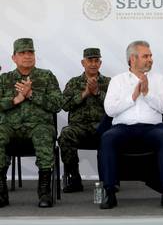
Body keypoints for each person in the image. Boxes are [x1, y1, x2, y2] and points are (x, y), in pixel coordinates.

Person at [99, 40, 163, 209]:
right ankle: (110, 192)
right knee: (107, 138)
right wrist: (132, 97)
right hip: (123, 129)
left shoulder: (159, 79)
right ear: (132, 59)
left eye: (150, 55)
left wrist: (147, 93)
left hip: (152, 128)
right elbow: (110, 110)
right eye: (145, 56)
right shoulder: (117, 81)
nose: (150, 59)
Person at [0, 38, 63, 208]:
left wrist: (31, 95)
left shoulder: (46, 76)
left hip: (39, 126)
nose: (27, 56)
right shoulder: (5, 79)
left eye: (31, 52)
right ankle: (1, 191)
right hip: (10, 127)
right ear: (14, 58)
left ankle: (44, 191)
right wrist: (16, 99)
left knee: (43, 133)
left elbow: (58, 104)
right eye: (22, 53)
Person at [59, 48, 110, 193]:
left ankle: (108, 179)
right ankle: (73, 178)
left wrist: (97, 92)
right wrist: (85, 93)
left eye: (96, 61)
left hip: (101, 126)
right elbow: (64, 105)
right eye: (90, 61)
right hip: (78, 127)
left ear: (100, 63)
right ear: (83, 62)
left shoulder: (109, 82)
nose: (93, 64)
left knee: (112, 135)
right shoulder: (74, 83)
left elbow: (115, 106)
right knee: (66, 134)